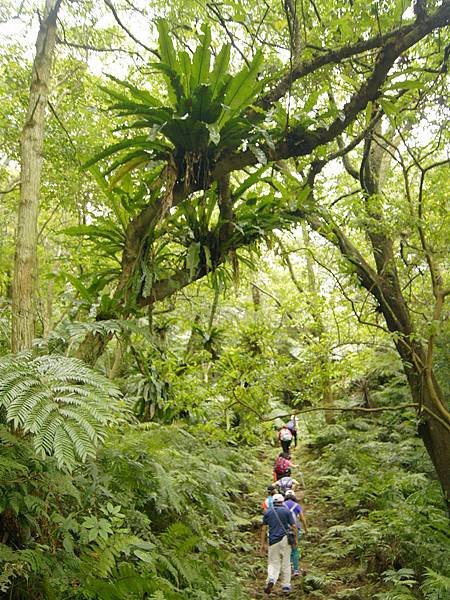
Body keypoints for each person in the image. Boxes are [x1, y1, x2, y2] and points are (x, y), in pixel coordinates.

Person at [260, 493, 297, 595]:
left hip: (272, 541)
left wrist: (262, 544)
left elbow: (263, 529)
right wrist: (295, 539)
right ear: (282, 501)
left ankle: (271, 579)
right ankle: (286, 586)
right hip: (285, 539)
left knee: (273, 563)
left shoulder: (268, 512)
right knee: (286, 562)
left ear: (273, 502)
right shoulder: (287, 511)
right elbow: (293, 526)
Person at [284, 489, 308, 576]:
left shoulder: (282, 505)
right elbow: (302, 518)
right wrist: (305, 529)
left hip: (284, 530)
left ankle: (287, 568)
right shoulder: (297, 505)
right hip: (295, 529)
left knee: (286, 549)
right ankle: (296, 570)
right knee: (294, 549)